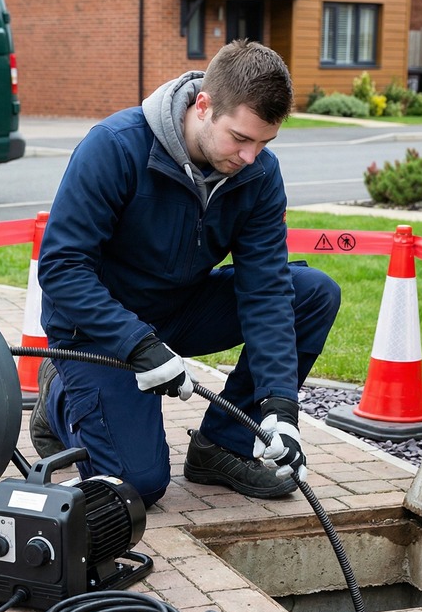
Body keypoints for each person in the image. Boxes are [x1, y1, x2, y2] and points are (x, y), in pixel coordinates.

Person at [30, 39, 340, 508]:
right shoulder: (115, 147)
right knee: (139, 486)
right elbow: (61, 267)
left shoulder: (257, 175)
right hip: (95, 329)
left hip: (180, 311)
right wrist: (137, 344)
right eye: (241, 138)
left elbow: (266, 290)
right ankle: (59, 399)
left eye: (265, 142)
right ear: (204, 105)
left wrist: (279, 407)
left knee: (312, 293)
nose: (251, 156)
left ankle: (221, 446)